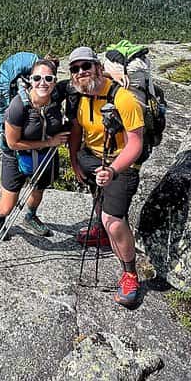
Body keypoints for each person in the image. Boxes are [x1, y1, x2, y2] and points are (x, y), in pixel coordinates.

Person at [65, 46, 145, 308]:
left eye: (85, 66)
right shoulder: (80, 95)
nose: (80, 72)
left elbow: (136, 144)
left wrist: (112, 170)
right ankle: (100, 234)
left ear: (98, 68)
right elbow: (77, 128)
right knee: (97, 198)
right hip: (91, 157)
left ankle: (130, 274)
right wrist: (75, 158)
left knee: (113, 219)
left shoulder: (123, 99)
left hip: (120, 165)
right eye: (75, 69)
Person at [0, 57, 69, 239]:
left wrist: (112, 74)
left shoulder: (57, 95)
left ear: (55, 81)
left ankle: (30, 216)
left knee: (38, 190)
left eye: (48, 79)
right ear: (30, 80)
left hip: (45, 155)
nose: (43, 83)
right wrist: (50, 142)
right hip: (16, 156)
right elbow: (13, 143)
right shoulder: (18, 106)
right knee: (7, 205)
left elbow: (83, 81)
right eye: (37, 78)